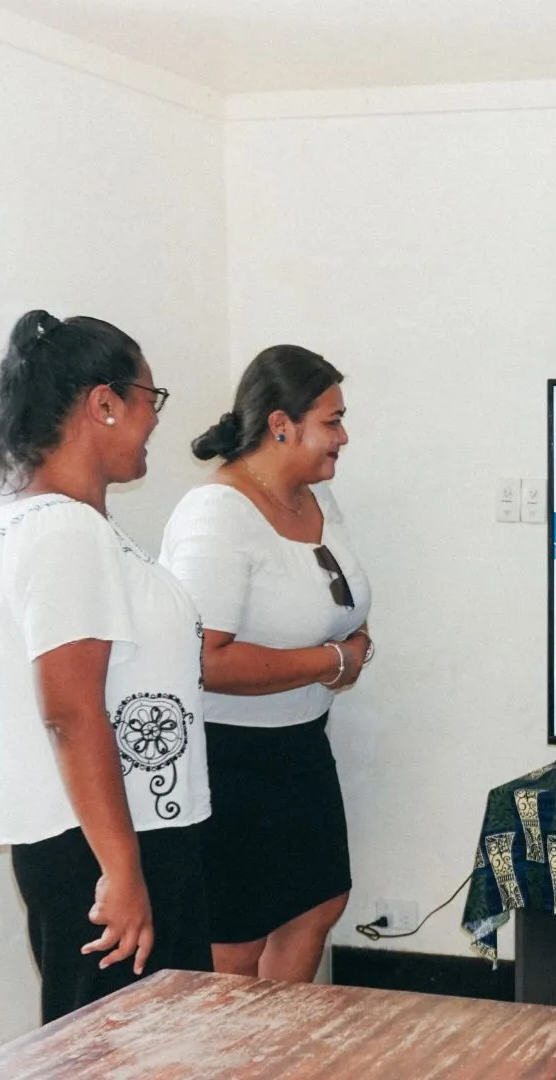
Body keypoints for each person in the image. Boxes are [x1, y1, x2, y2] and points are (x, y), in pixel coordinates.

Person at [0, 310, 211, 1023]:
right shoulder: (63, 531)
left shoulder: (55, 520)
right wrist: (122, 872)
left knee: (151, 1045)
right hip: (99, 848)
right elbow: (70, 712)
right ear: (105, 402)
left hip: (117, 834)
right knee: (118, 1049)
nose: (153, 422)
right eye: (148, 401)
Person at [158, 345, 372, 981]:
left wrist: (346, 651)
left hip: (302, 742)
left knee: (318, 902)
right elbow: (204, 661)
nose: (344, 436)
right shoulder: (215, 513)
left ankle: (283, 1057)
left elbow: (340, 599)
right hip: (229, 757)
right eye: (331, 421)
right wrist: (331, 659)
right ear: (282, 424)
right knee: (236, 940)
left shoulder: (315, 498)